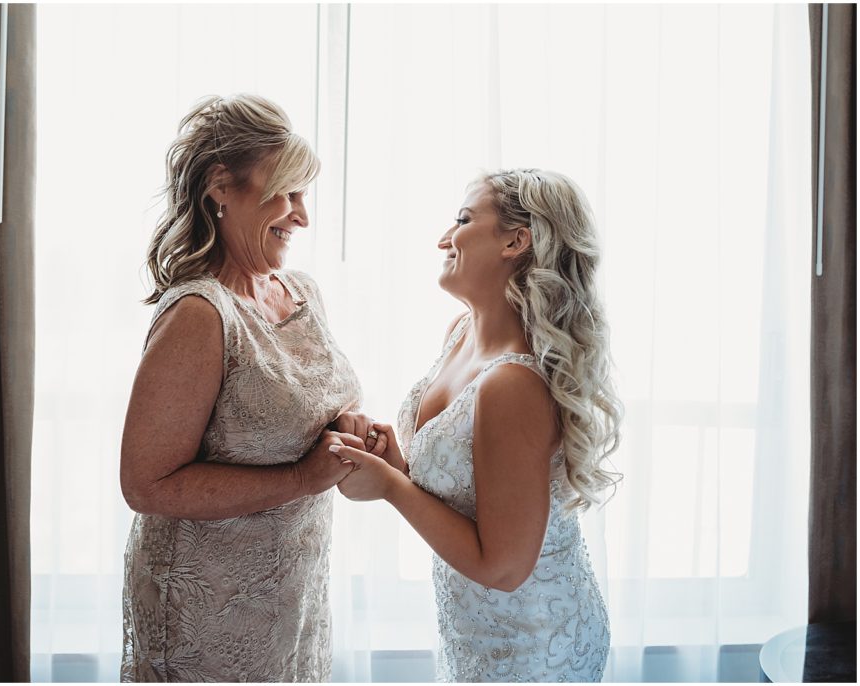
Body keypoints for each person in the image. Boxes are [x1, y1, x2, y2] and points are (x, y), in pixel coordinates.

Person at [119, 94, 372, 682]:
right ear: (220, 187)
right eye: (286, 192)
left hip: (293, 597)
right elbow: (146, 483)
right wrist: (302, 479)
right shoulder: (200, 315)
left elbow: (309, 405)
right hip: (209, 612)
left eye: (304, 195)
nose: (301, 215)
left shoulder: (302, 292)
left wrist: (348, 428)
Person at [333, 169, 622, 682]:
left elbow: (505, 569)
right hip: (475, 630)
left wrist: (390, 486)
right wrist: (395, 460)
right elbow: (465, 494)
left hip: (532, 646)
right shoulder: (460, 333)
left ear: (516, 240)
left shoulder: (512, 384)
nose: (444, 238)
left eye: (463, 220)